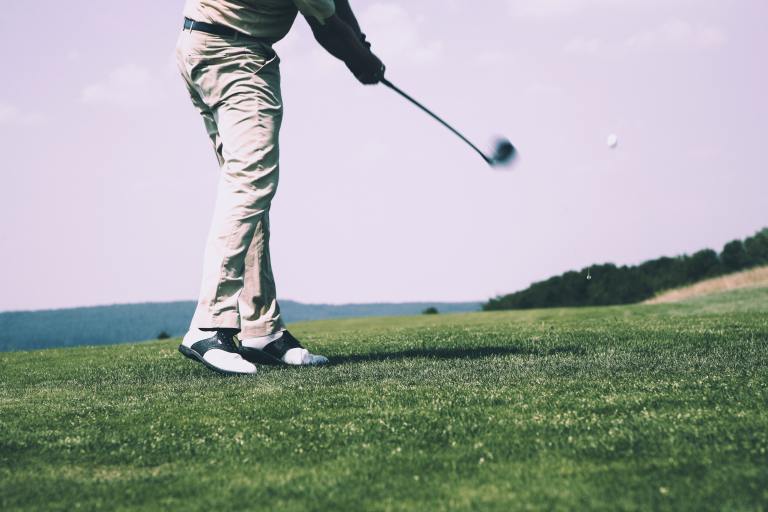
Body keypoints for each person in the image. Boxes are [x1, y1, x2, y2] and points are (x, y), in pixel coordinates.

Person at [175, 0, 384, 375]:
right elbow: (327, 24)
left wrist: (362, 45)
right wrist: (362, 59)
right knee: (250, 181)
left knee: (248, 193)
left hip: (201, 45)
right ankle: (209, 324)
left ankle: (262, 331)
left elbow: (336, 6)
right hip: (236, 55)